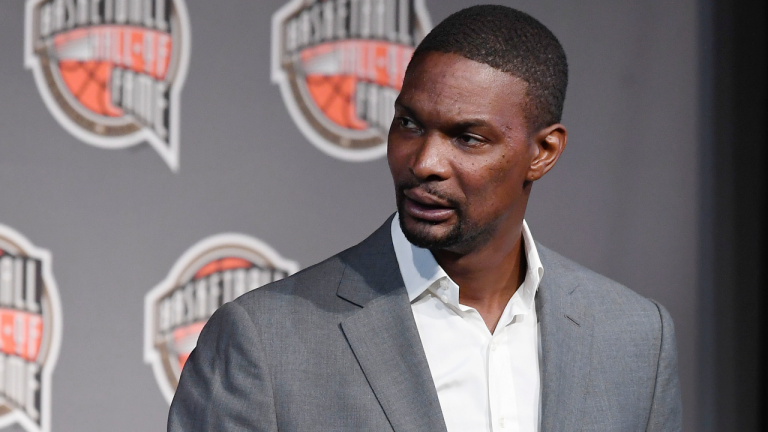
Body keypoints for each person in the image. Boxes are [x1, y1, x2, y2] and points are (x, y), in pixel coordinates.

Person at [168, 5, 682, 432]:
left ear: (543, 152)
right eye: (409, 124)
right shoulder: (265, 339)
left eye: (467, 137)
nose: (423, 163)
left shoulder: (635, 337)